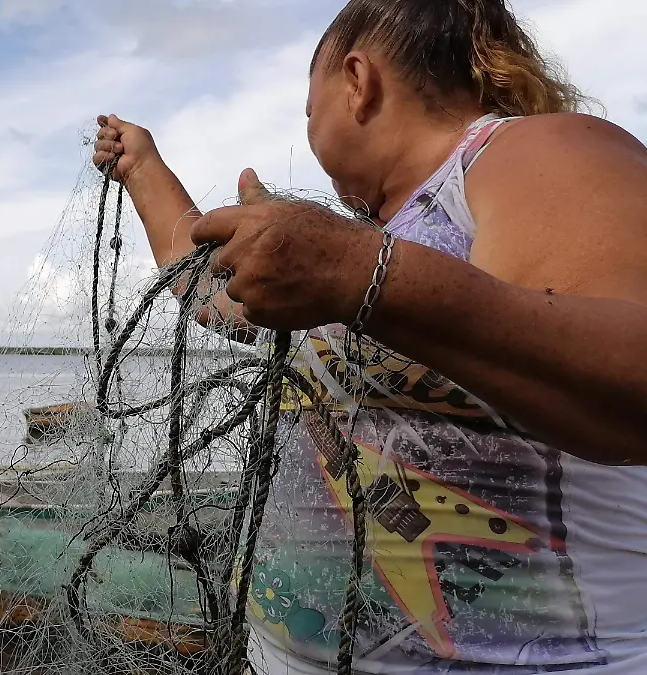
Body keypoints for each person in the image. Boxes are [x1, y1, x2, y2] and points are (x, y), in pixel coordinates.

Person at [93, 0, 647, 673]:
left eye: (308, 106)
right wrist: (141, 165)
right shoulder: (378, 233)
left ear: (357, 80)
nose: (307, 123)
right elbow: (213, 289)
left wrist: (358, 271)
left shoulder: (535, 150)